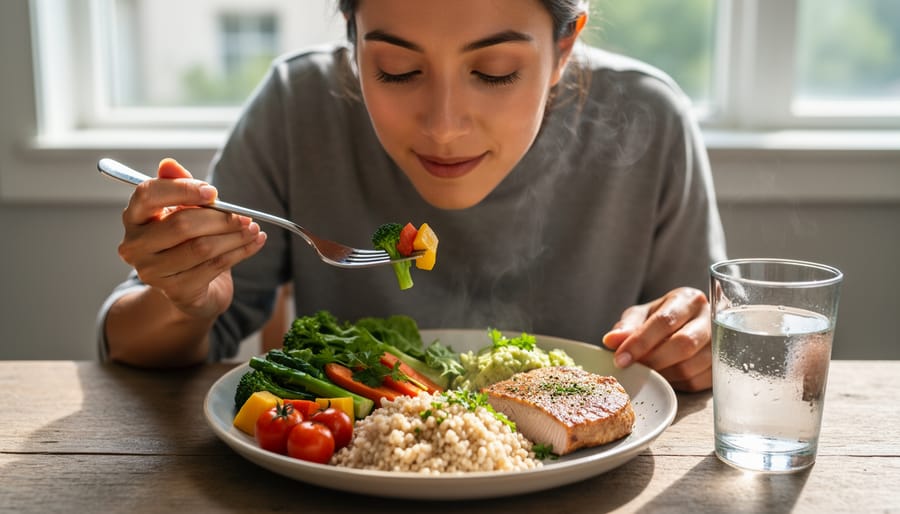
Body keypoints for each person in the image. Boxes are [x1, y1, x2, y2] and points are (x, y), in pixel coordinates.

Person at [98, 0, 727, 392]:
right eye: (397, 71)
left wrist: (693, 344)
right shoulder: (298, 107)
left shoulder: (650, 116)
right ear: (352, 39)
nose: (444, 125)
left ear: (564, 49)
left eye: (495, 71)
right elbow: (126, 342)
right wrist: (184, 300)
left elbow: (702, 338)